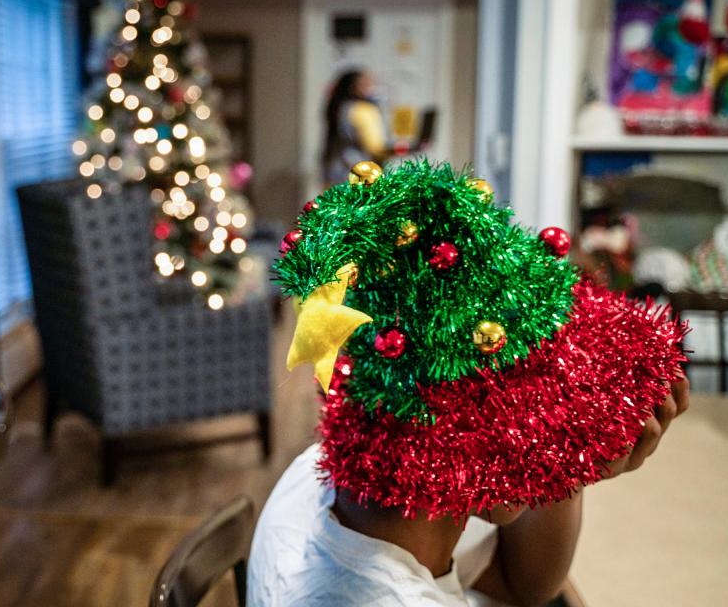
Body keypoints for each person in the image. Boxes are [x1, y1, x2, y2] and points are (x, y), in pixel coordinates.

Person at [252, 159, 689, 606]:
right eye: (547, 411)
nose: (554, 426)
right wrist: (563, 457)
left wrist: (564, 468)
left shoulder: (317, 482)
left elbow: (524, 586)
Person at [321, 70, 395, 185]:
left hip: (337, 173)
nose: (373, 88)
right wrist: (401, 147)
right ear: (355, 88)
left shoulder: (341, 108)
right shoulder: (363, 110)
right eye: (367, 84)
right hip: (360, 176)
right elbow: (375, 148)